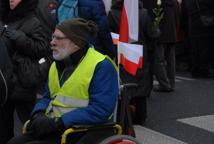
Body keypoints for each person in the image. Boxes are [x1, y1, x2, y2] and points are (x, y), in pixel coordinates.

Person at [8, 18, 119, 144]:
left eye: (58, 38)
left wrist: (60, 122)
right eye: (53, 37)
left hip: (81, 131)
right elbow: (47, 97)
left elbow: (101, 109)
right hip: (57, 128)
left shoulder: (101, 66)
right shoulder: (57, 64)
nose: (52, 42)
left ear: (76, 43)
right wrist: (38, 113)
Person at [0, 0, 49, 143]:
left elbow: (42, 49)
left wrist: (19, 38)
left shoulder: (33, 21)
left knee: (30, 124)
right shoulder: (3, 18)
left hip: (23, 81)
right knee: (3, 129)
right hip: (5, 83)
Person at [108, 0, 160, 125]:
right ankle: (141, 117)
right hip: (140, 53)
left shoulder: (112, 13)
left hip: (121, 53)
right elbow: (152, 34)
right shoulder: (143, 13)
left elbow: (110, 35)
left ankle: (123, 116)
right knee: (140, 84)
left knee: (123, 84)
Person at [153, 0, 180, 92]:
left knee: (159, 60)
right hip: (172, 32)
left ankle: (164, 84)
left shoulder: (158, 2)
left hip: (160, 33)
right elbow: (178, 17)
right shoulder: (174, 2)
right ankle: (171, 83)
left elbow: (154, 16)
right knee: (171, 59)